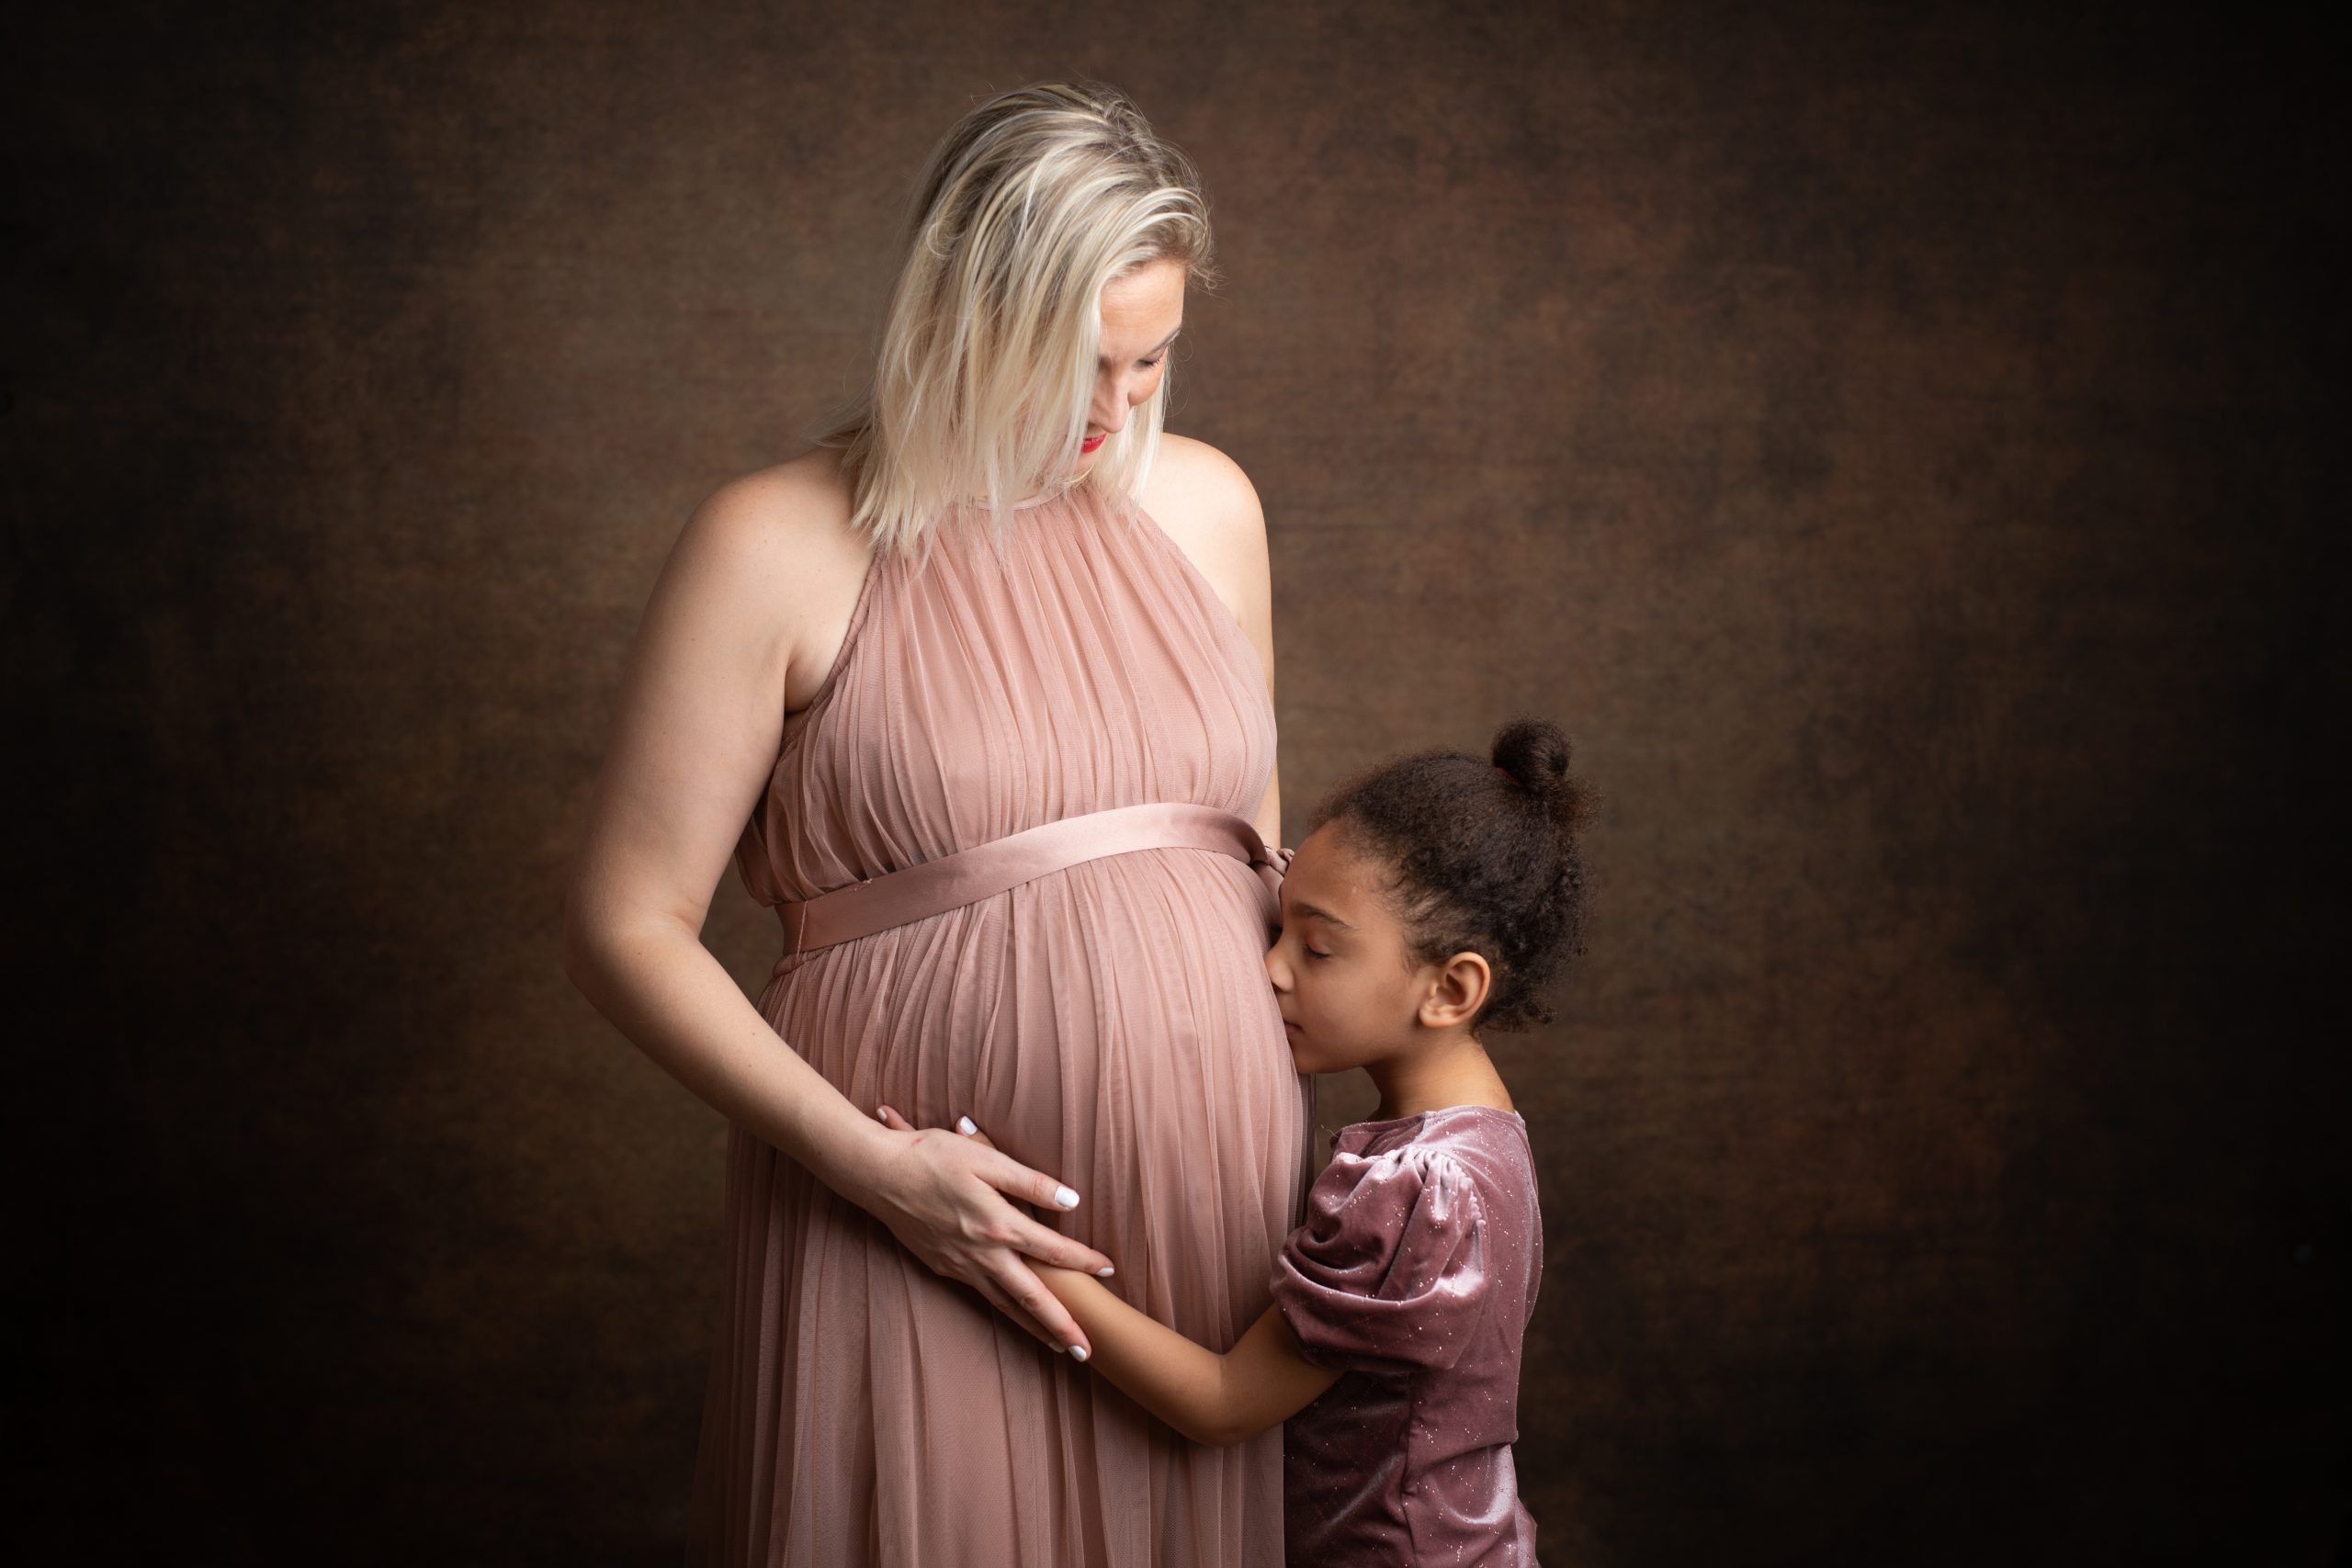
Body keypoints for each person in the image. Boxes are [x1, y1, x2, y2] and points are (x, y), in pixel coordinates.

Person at [559, 83, 1310, 1566]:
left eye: (1151, 361)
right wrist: (877, 1172)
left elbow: (1263, 882)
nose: (1116, 414)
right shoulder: (773, 540)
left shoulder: (1211, 506)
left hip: (1208, 1240)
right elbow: (621, 925)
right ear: (964, 317)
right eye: (1076, 365)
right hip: (903, 1210)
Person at [887, 718, 1591, 1566]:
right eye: (1277, 929)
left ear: (1450, 988)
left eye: (1318, 947)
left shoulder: (1418, 1190)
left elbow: (1221, 1403)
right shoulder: (1490, 1144)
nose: (1272, 968)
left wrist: (1001, 1241)